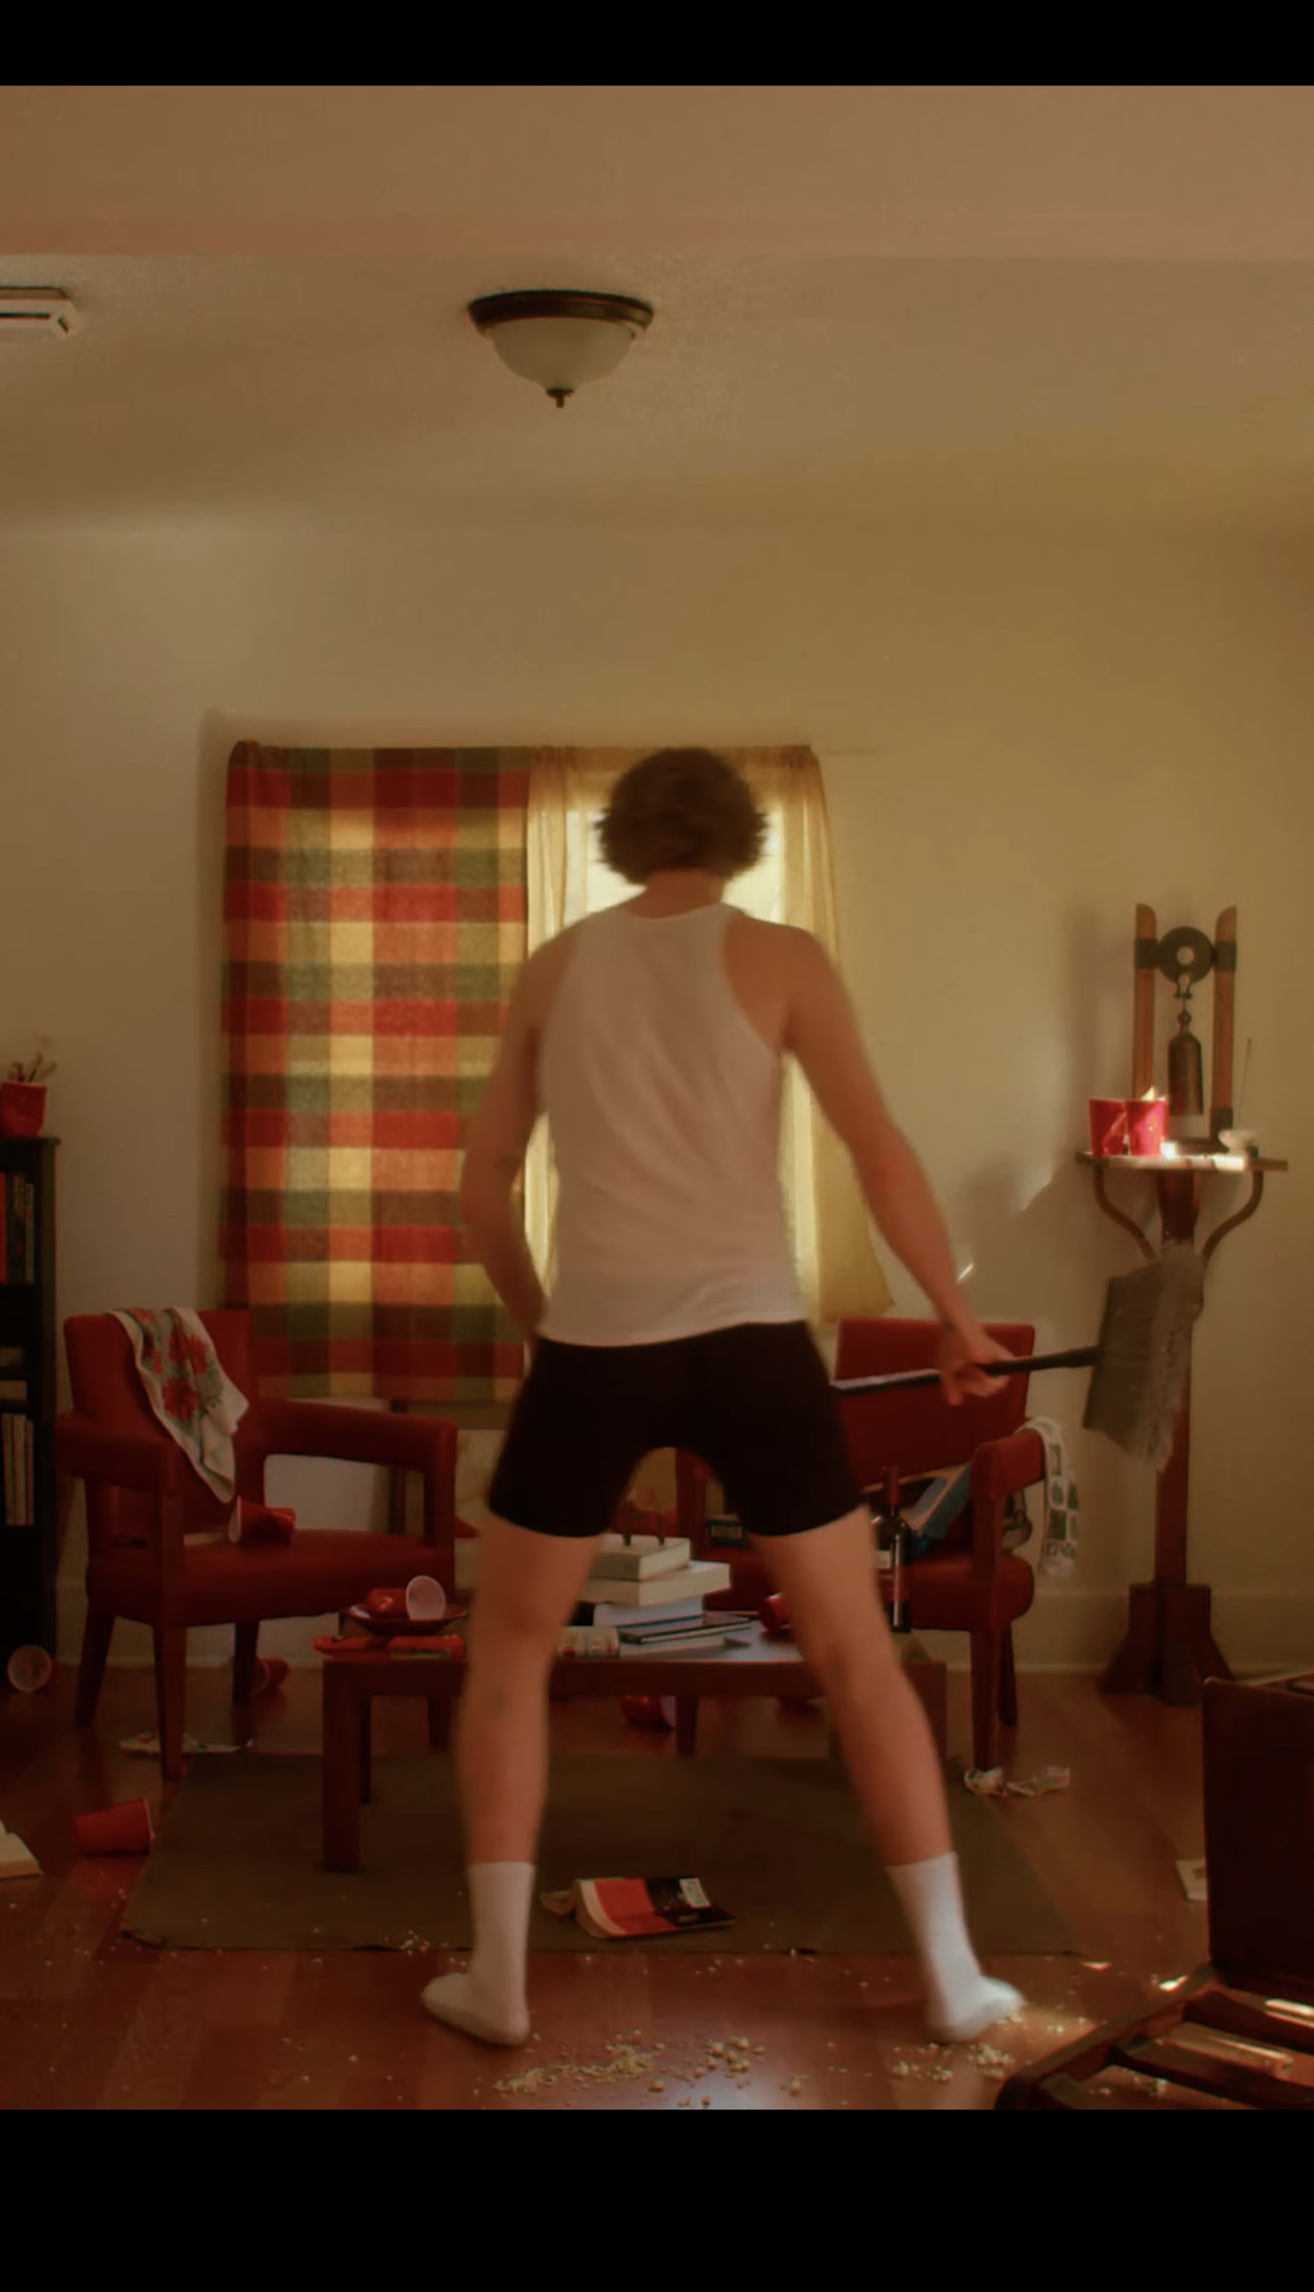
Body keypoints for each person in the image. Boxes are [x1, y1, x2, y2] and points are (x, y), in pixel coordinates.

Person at [430, 746, 1024, 2050]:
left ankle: (498, 1983)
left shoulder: (555, 969)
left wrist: (545, 1331)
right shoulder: (783, 959)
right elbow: (878, 1154)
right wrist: (955, 1314)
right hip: (754, 1345)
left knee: (511, 1654)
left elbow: (481, 1191)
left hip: (596, 1346)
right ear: (740, 837)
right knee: (857, 1657)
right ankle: (953, 1978)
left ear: (625, 839)